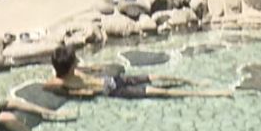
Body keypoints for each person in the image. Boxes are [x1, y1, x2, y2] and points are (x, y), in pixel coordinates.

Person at [45, 45, 232, 99]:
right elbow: (47, 85)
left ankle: (194, 83)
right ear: (68, 67)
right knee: (161, 91)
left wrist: (93, 68)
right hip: (114, 90)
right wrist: (76, 92)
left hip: (113, 79)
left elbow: (84, 69)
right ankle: (208, 94)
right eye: (75, 60)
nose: (78, 60)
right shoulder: (61, 81)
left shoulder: (74, 70)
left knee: (157, 77)